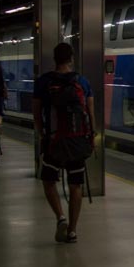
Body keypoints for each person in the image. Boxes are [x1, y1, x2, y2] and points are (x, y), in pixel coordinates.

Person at [32, 43, 95, 244]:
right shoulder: (83, 82)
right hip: (77, 141)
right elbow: (91, 114)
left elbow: (36, 114)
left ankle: (60, 217)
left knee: (48, 181)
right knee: (76, 185)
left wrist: (43, 134)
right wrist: (91, 136)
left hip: (54, 142)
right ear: (71, 58)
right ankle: (73, 231)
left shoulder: (43, 82)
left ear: (55, 59)